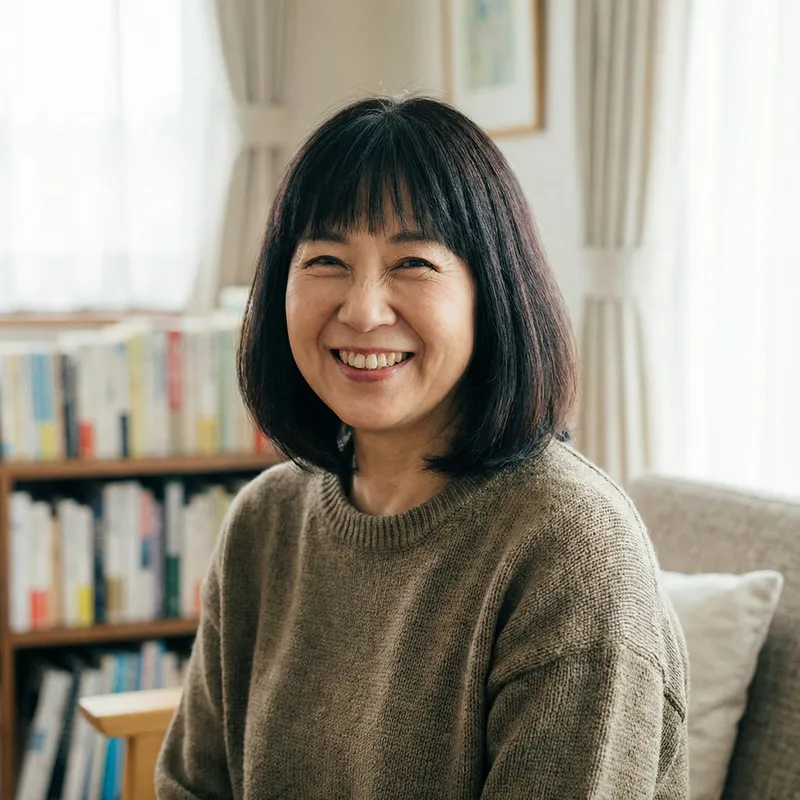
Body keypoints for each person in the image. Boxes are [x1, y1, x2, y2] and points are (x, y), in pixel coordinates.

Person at [156, 95, 689, 799]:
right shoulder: (266, 520)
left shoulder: (574, 548)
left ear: (489, 293)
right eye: (325, 260)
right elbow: (193, 786)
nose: (363, 309)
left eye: (412, 262)